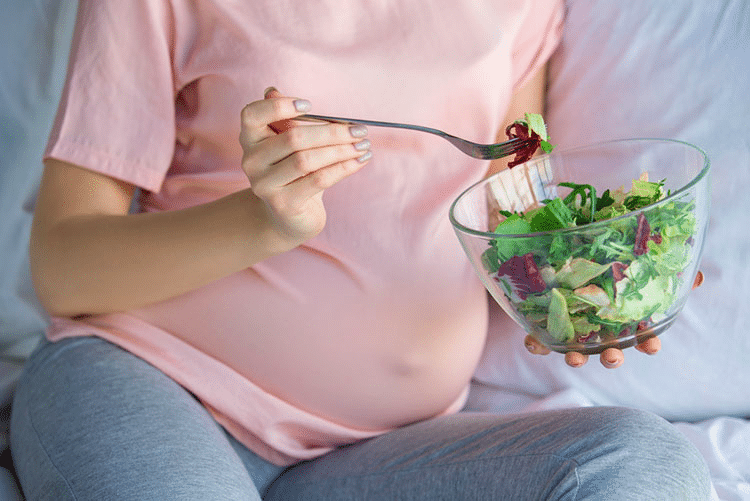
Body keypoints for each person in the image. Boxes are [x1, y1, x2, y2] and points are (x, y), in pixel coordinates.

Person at [10, 1, 711, 499]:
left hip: (381, 454)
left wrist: (598, 285)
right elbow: (63, 266)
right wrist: (263, 220)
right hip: (151, 385)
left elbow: (515, 211)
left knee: (643, 467)